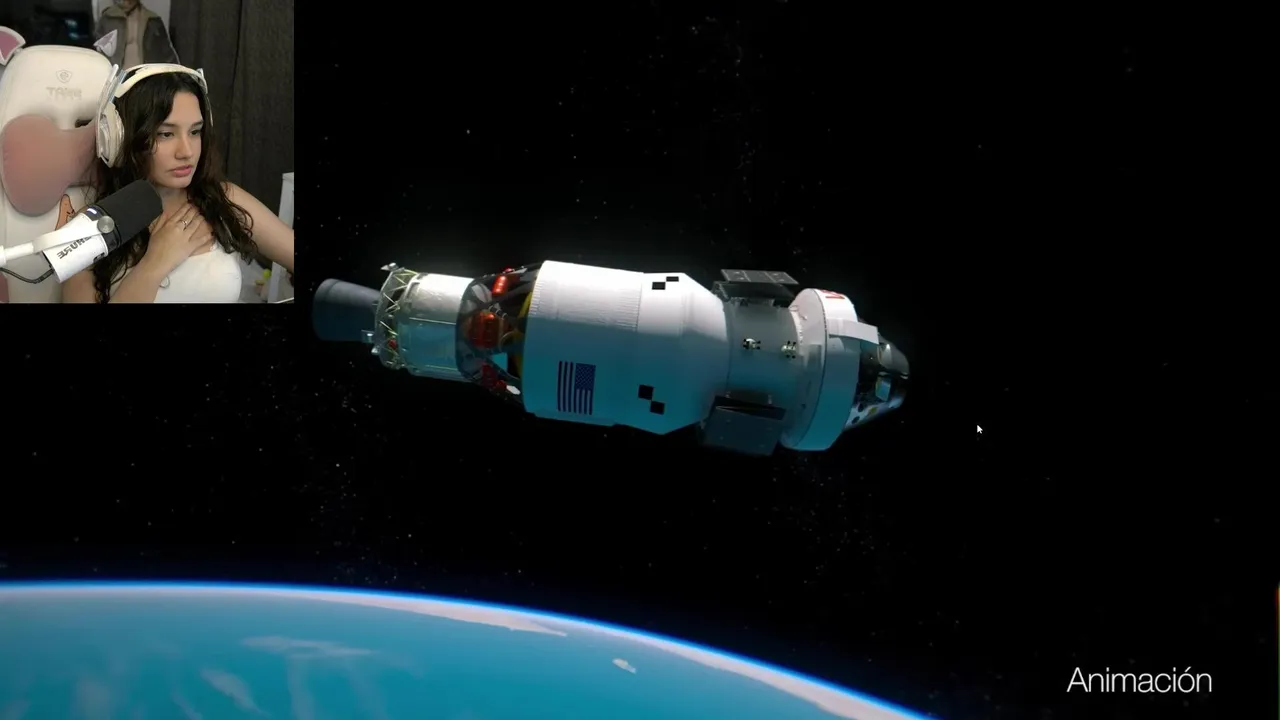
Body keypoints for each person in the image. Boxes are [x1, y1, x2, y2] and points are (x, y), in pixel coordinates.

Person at [62, 69, 294, 303]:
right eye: (165, 134)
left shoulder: (224, 198)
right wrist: (155, 263)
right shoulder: (89, 227)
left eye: (195, 131)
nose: (187, 152)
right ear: (119, 138)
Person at [95, 0, 177, 67]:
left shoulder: (153, 20)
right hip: (117, 75)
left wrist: (178, 75)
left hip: (144, 75)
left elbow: (167, 53)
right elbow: (98, 51)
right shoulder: (108, 18)